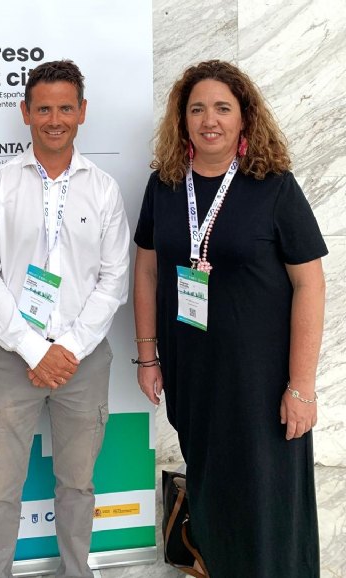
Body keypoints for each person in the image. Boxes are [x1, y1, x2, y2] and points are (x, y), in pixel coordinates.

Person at [133, 60, 326, 578]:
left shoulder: (274, 186)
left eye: (222, 108)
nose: (209, 120)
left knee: (267, 498)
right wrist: (148, 356)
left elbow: (310, 284)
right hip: (192, 374)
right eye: (197, 109)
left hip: (262, 382)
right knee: (213, 492)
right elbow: (147, 271)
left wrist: (302, 386)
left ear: (244, 118)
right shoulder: (164, 186)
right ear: (182, 119)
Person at [0, 60, 130, 578]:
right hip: (12, 357)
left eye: (65, 108)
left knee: (78, 484)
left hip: (83, 360)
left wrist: (68, 349)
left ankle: (76, 571)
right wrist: (36, 351)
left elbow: (114, 280)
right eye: (43, 109)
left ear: (82, 112)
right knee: (1, 487)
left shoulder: (103, 189)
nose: (54, 119)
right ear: (25, 112)